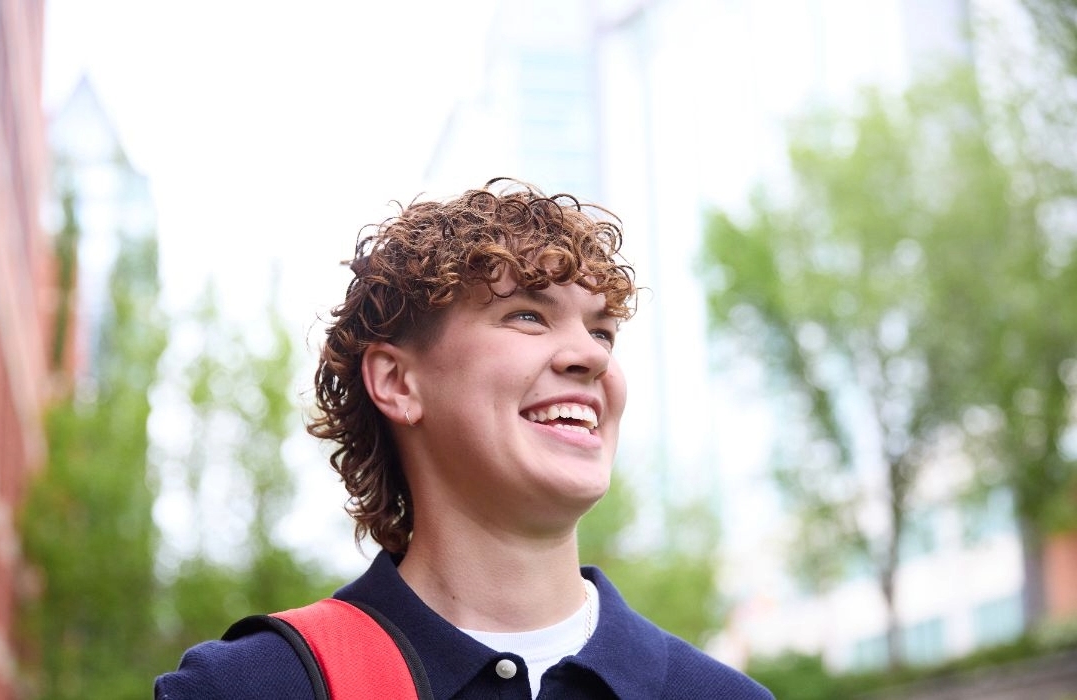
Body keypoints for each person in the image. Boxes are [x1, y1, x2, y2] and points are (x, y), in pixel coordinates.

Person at [154, 178, 774, 699]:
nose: (590, 356)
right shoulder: (248, 688)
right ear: (397, 382)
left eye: (603, 332)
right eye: (527, 315)